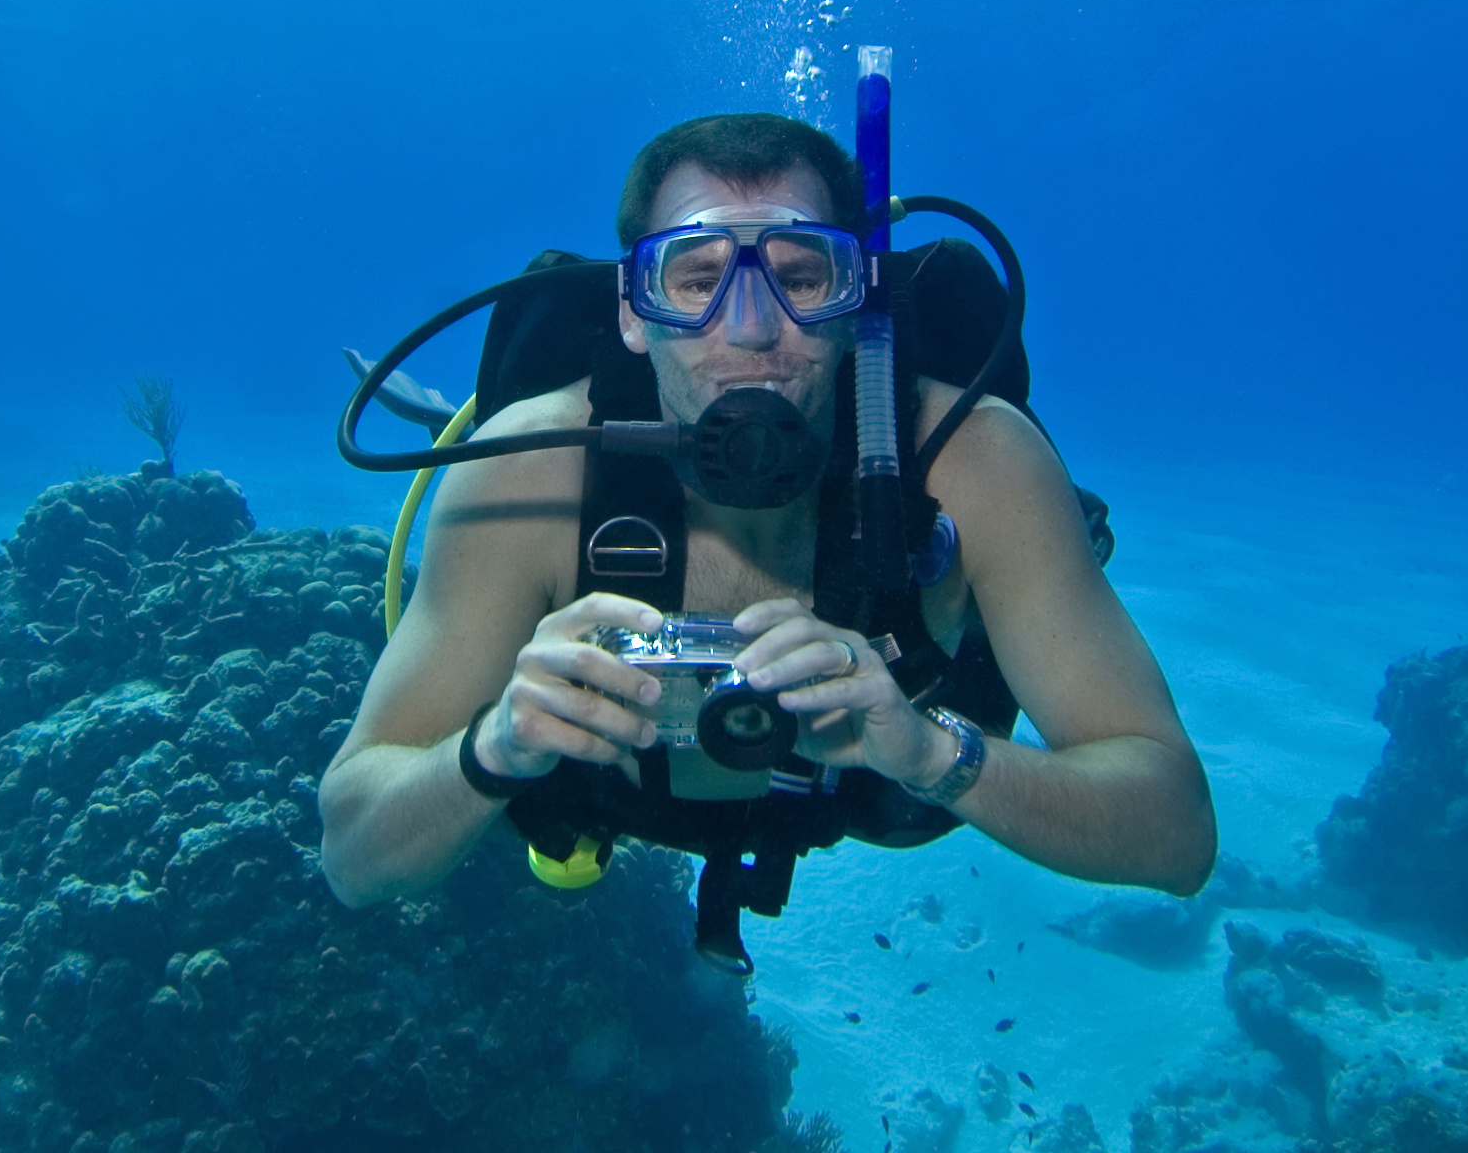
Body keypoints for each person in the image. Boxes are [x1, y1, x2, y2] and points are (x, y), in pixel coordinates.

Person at [318, 113, 1215, 957]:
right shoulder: (521, 474)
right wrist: (494, 745)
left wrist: (930, 750)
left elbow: (1176, 836)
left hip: (872, 798)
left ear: (856, 298)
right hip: (612, 803)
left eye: (800, 277)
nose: (749, 331)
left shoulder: (974, 463)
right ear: (633, 309)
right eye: (697, 280)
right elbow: (353, 856)